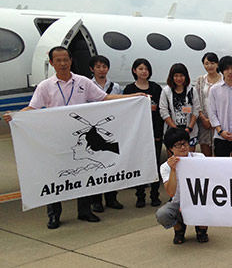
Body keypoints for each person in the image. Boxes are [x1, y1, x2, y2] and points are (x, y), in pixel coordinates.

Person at [2, 46, 142, 229]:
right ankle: (54, 215)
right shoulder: (45, 86)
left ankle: (84, 211)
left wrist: (133, 97)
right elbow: (33, 108)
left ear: (70, 61)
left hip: (80, 139)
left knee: (83, 172)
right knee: (54, 175)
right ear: (51, 63)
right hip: (56, 139)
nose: (62, 63)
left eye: (65, 60)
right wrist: (16, 116)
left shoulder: (82, 82)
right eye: (58, 60)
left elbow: (104, 98)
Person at [155, 127, 208, 244]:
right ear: (170, 148)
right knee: (163, 214)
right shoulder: (165, 167)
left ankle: (202, 229)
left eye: (185, 143)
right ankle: (179, 228)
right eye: (178, 145)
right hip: (178, 201)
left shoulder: (200, 158)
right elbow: (171, 193)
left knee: (207, 206)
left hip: (199, 199)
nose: (183, 147)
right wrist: (173, 170)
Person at [123, 58, 164, 208]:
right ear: (134, 70)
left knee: (154, 165)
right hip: (137, 135)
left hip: (155, 133)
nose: (143, 71)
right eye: (140, 68)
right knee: (138, 165)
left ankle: (154, 195)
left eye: (146, 69)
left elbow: (161, 111)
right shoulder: (129, 89)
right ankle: (140, 195)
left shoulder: (156, 88)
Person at [88, 55, 124, 212]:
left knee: (111, 163)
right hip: (93, 131)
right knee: (95, 165)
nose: (101, 69)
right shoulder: (87, 85)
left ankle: (111, 197)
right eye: (98, 67)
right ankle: (96, 200)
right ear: (92, 69)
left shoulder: (115, 87)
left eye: (104, 66)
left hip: (111, 129)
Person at [159, 63, 200, 152]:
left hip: (190, 132)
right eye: (176, 76)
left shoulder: (192, 90)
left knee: (189, 160)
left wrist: (189, 128)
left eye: (182, 75)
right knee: (173, 161)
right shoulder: (166, 91)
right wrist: (175, 130)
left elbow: (196, 110)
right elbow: (163, 112)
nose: (179, 78)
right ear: (171, 77)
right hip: (172, 132)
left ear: (186, 76)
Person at [195, 52, 222, 157]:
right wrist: (203, 118)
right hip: (204, 122)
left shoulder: (223, 80)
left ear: (217, 64)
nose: (209, 66)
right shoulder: (201, 80)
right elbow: (196, 100)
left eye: (212, 63)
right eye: (206, 64)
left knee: (219, 153)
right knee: (205, 152)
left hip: (220, 122)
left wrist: (214, 121)